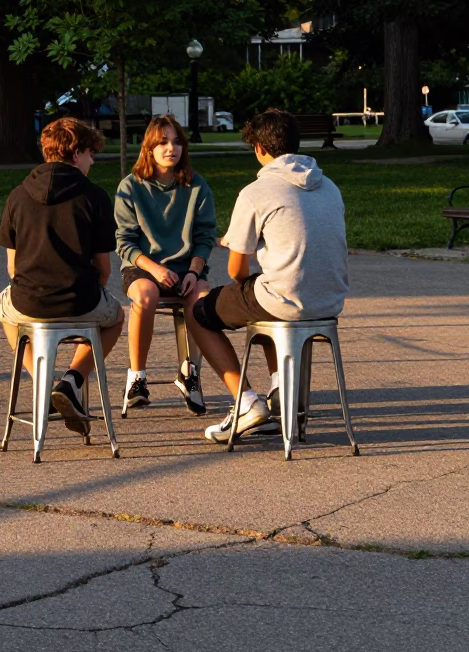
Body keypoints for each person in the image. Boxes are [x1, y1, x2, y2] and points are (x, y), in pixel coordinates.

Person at [188, 107, 349, 442]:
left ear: (259, 148)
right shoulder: (329, 185)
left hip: (286, 298)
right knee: (261, 297)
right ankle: (280, 390)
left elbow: (236, 270)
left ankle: (247, 403)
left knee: (199, 311)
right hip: (330, 300)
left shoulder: (255, 192)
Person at [0, 116, 125, 436]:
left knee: (4, 310)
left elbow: (12, 268)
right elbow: (104, 269)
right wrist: (86, 307)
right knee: (116, 317)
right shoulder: (94, 196)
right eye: (90, 154)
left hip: (28, 301)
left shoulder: (17, 195)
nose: (92, 161)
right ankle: (72, 380)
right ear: (77, 153)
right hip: (80, 299)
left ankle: (41, 380)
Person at [114, 115, 216, 415]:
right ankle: (137, 378)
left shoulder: (196, 185)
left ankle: (189, 374)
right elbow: (125, 243)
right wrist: (156, 269)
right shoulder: (130, 187)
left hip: (187, 267)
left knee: (200, 298)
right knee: (146, 296)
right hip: (143, 267)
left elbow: (204, 237)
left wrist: (195, 271)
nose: (171, 148)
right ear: (149, 148)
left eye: (176, 142)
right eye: (163, 142)